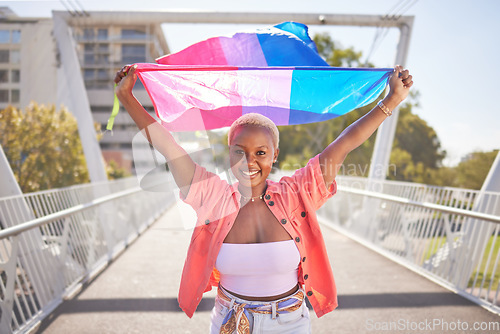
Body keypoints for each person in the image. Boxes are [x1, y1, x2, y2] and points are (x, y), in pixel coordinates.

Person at [115, 64, 413, 333]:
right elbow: (169, 147)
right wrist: (128, 98)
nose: (249, 162)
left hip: (290, 323)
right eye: (239, 152)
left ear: (274, 156)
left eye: (260, 153)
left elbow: (344, 143)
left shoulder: (297, 193)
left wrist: (391, 101)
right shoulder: (212, 196)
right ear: (228, 153)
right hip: (231, 323)